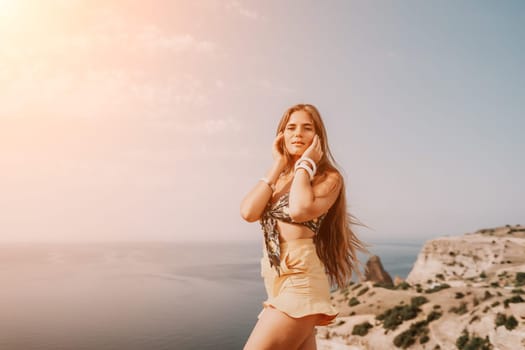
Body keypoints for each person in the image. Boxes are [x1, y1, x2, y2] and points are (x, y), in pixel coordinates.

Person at [240, 103, 368, 350]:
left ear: (318, 137)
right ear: (282, 135)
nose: (298, 133)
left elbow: (299, 210)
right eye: (291, 128)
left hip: (301, 281)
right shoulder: (280, 180)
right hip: (276, 282)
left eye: (307, 128)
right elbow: (248, 212)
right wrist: (279, 164)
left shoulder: (329, 178)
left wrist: (306, 164)